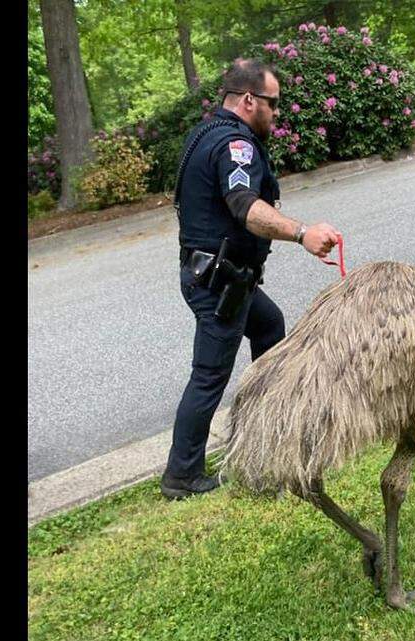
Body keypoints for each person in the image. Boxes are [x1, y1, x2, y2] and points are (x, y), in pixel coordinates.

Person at [161, 58, 341, 500]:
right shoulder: (235, 146)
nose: (276, 114)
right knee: (209, 376)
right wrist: (302, 233)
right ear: (248, 100)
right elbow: (243, 203)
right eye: (273, 104)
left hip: (219, 275)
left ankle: (269, 428)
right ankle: (182, 476)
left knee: (269, 326)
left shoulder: (204, 133)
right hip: (218, 282)